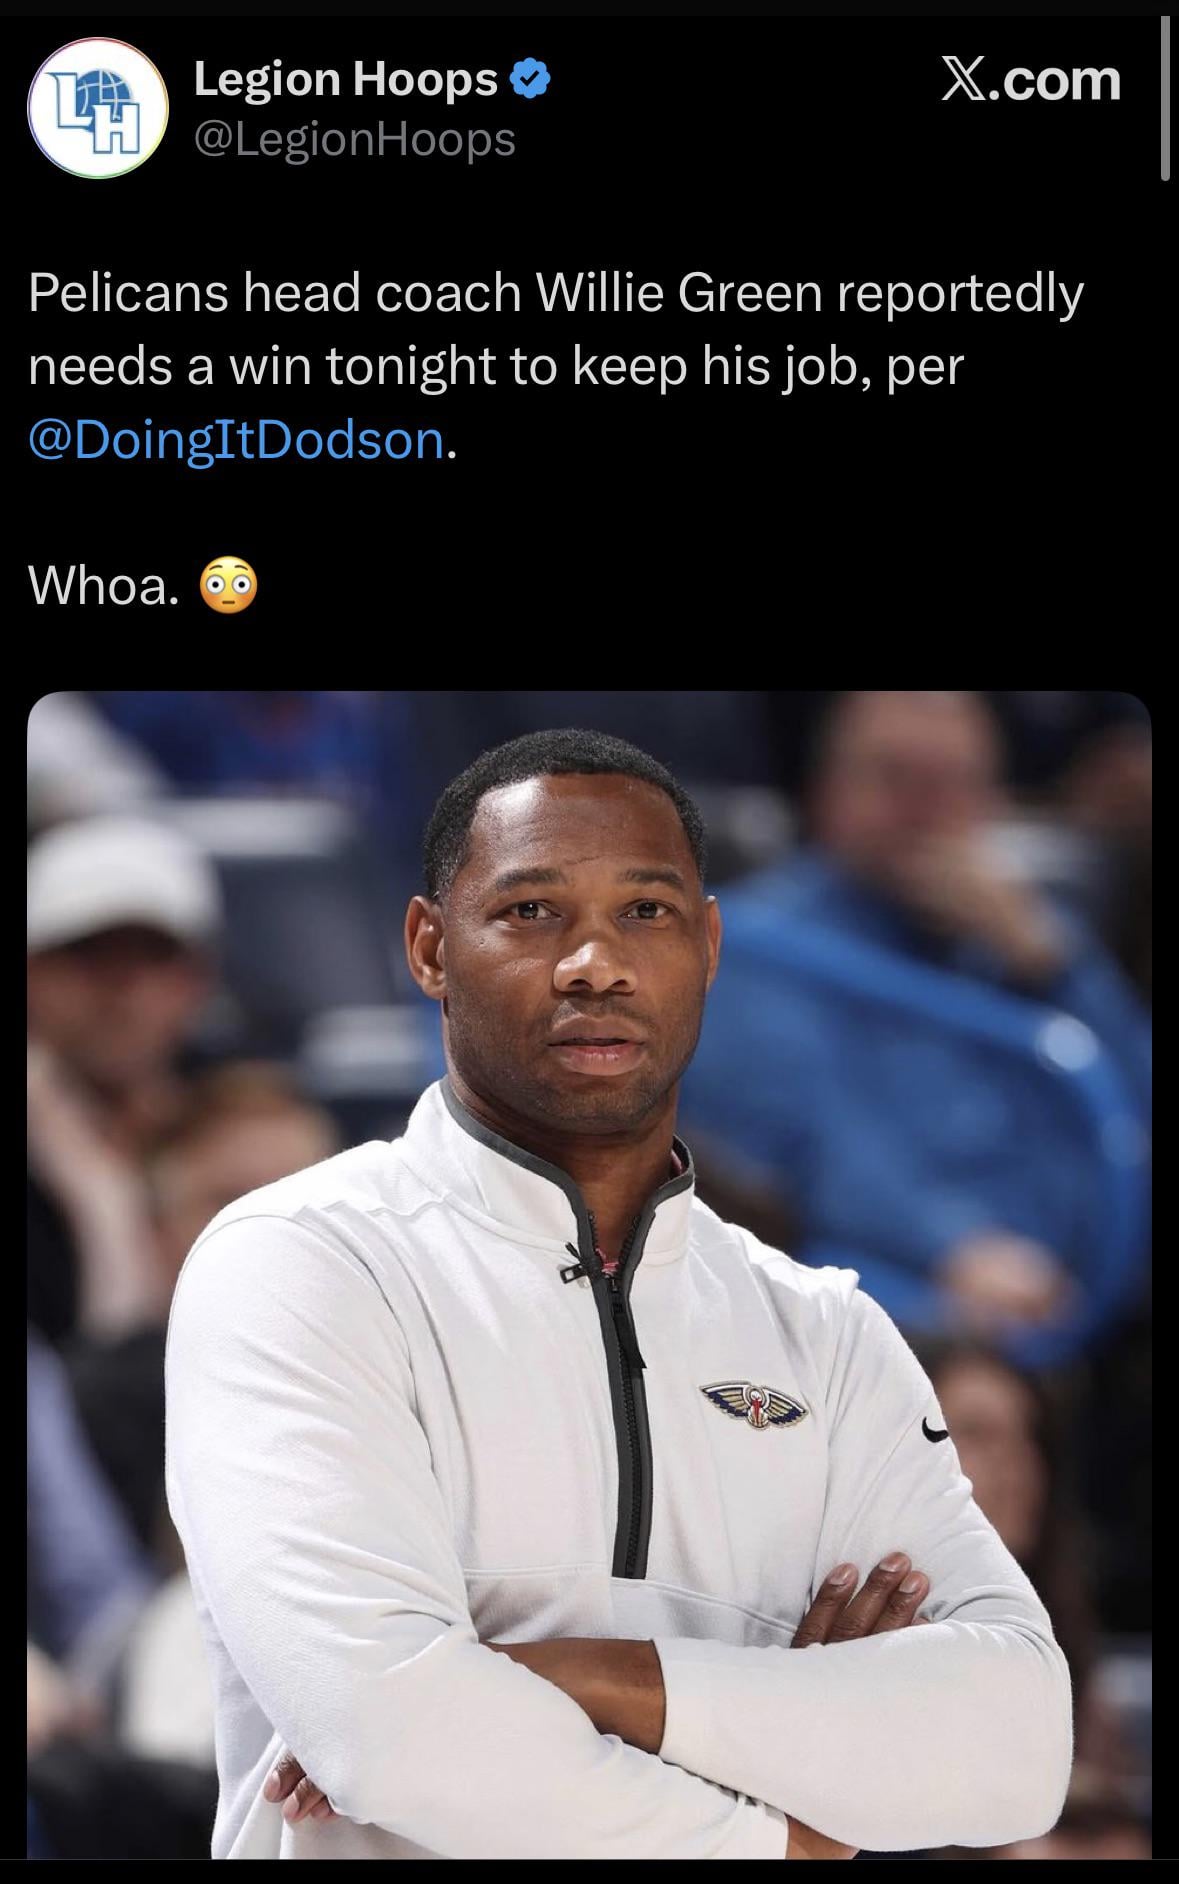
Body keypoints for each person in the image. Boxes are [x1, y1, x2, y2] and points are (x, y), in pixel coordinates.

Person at [165, 729, 1072, 1860]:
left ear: (709, 945)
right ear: (430, 948)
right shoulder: (300, 1263)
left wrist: (578, 1678)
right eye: (531, 911)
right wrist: (787, 1833)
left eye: (645, 911)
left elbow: (1016, 1750)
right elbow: (390, 1738)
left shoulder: (826, 1334)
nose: (594, 963)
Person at [679, 691, 1151, 1359]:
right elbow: (805, 1145)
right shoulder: (754, 945)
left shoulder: (1028, 940)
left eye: (954, 783)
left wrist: (1053, 965)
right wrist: (953, 1246)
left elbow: (1131, 1103)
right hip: (887, 1299)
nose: (925, 810)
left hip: (1084, 1303)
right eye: (894, 778)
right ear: (825, 791)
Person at [27, 815, 222, 1348]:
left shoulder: (250, 1125)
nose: (122, 990)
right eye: (87, 956)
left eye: (150, 957)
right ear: (32, 974)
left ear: (196, 980)